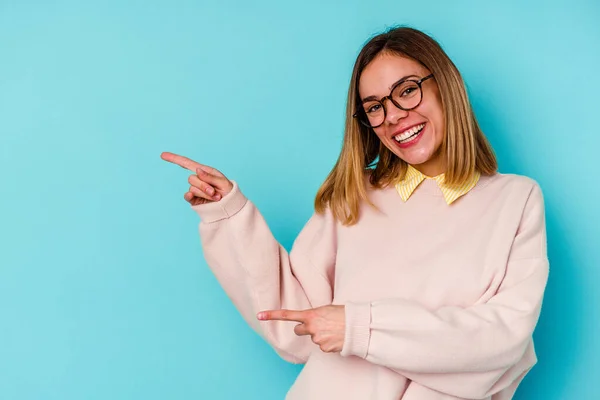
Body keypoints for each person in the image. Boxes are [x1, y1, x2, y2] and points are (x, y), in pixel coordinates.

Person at [161, 26, 548, 400]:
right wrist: (228, 214)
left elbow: (502, 341)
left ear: (447, 86)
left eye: (407, 91)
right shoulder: (352, 195)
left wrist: (357, 328)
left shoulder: (515, 200)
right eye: (375, 107)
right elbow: (297, 325)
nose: (393, 116)